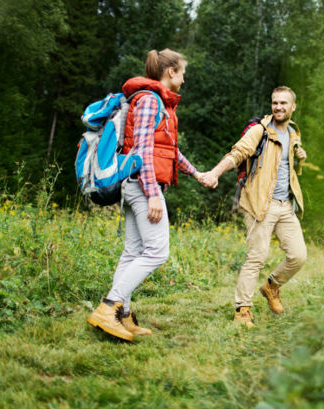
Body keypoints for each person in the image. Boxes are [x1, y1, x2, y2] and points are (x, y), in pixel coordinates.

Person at [87, 49, 209, 342]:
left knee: (133, 251)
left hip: (137, 183)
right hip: (143, 185)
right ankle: (109, 307)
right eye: (182, 71)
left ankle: (122, 315)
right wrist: (153, 194)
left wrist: (196, 173)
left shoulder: (158, 103)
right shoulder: (150, 101)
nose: (184, 77)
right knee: (157, 251)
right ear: (170, 72)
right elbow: (141, 151)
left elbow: (168, 150)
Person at [200, 86, 307, 328]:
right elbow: (238, 153)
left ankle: (271, 286)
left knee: (298, 256)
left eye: (283, 103)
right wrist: (215, 173)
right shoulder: (261, 131)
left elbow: (289, 164)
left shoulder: (293, 132)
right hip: (260, 204)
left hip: (285, 205)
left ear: (293, 107)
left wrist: (300, 155)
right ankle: (242, 310)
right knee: (256, 257)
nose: (278, 107)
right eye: (274, 102)